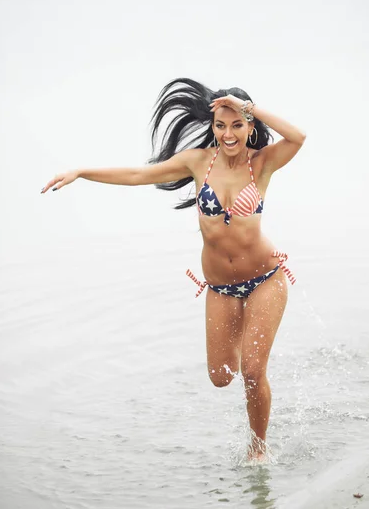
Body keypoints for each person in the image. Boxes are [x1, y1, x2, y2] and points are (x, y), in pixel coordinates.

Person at [41, 78, 306, 462]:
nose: (228, 134)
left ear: (250, 125)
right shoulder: (198, 161)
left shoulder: (262, 162)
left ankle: (258, 448)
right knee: (221, 377)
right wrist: (82, 172)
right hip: (219, 287)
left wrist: (250, 106)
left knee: (251, 370)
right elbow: (136, 175)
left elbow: (298, 137)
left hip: (266, 278)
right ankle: (252, 357)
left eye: (237, 124)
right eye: (220, 125)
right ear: (212, 127)